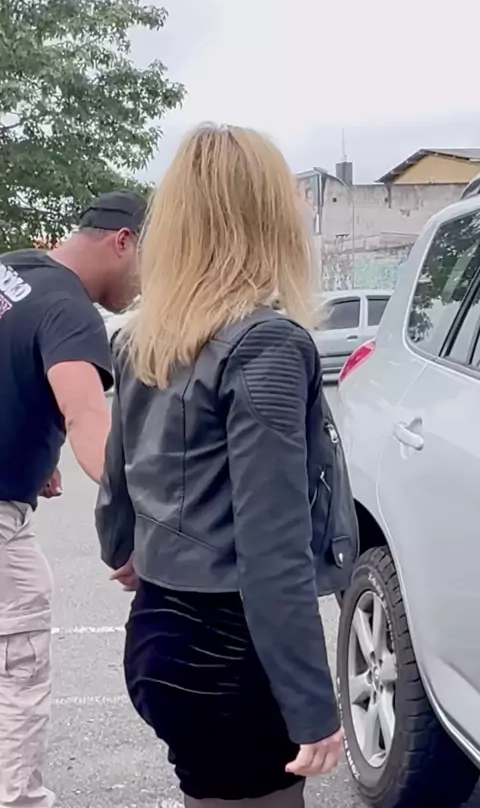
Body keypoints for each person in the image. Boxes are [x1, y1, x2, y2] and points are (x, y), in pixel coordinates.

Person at [95, 126, 358, 808]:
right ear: (263, 217)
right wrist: (311, 705)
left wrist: (136, 552)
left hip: (158, 630)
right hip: (231, 650)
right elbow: (272, 548)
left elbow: (117, 499)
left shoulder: (143, 339)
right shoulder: (266, 343)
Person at [0, 188, 146, 808]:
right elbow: (88, 420)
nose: (144, 287)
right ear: (123, 242)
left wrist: (27, 456)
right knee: (17, 667)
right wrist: (141, 526)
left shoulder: (12, 269)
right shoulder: (71, 310)